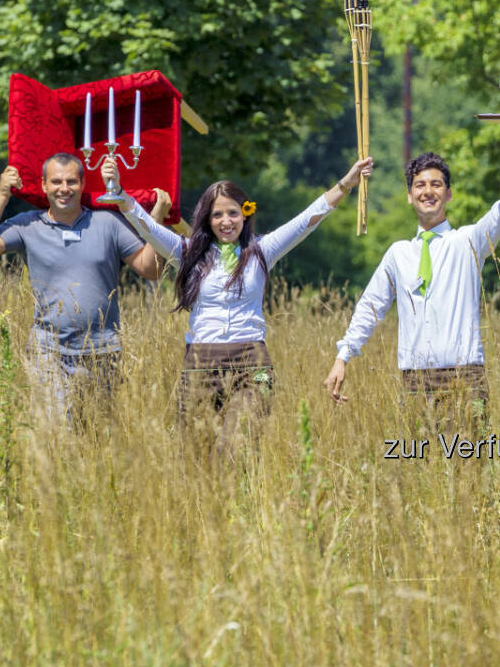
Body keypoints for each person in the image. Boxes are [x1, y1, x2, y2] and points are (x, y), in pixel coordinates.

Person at [107, 155, 373, 450]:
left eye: (233, 213)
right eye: (217, 215)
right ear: (207, 219)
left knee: (235, 449)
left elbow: (307, 220)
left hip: (251, 363)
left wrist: (346, 184)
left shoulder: (262, 250)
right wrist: (119, 195)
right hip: (199, 364)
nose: (225, 222)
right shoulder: (187, 252)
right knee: (197, 459)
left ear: (245, 214)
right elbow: (147, 228)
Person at [324, 129, 500, 425]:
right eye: (419, 185)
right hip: (415, 379)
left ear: (448, 193)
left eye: (436, 184)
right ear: (409, 196)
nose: (427, 191)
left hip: (464, 374)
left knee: (469, 463)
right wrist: (343, 356)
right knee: (419, 464)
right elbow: (370, 306)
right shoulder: (398, 253)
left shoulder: (469, 241)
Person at [0, 153, 167, 427]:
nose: (64, 188)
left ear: (83, 183)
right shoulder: (28, 225)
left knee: (95, 433)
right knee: (56, 432)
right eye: (57, 182)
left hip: (102, 349)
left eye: (71, 181)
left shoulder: (107, 222)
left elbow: (150, 270)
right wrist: (3, 194)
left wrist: (154, 224)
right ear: (44, 186)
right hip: (49, 350)